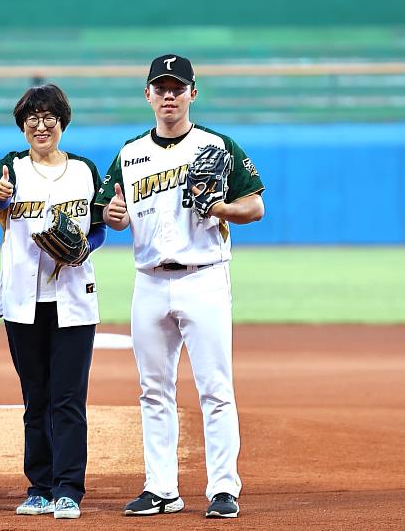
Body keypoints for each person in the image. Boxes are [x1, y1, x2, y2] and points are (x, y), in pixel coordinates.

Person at [95, 54, 265, 519]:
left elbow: (255, 206)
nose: (169, 95)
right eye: (161, 87)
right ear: (147, 95)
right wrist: (111, 215)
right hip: (148, 281)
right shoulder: (130, 154)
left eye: (178, 87)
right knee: (153, 390)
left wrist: (221, 209)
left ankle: (223, 489)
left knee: (215, 387)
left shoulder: (217, 145)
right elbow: (109, 208)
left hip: (204, 277)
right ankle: (161, 488)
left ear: (193, 93)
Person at [0, 84, 106, 520]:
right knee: (36, 397)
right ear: (22, 126)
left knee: (68, 398)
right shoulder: (10, 168)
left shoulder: (85, 170)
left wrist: (85, 246)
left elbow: (98, 226)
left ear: (62, 123)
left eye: (49, 117)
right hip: (22, 299)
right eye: (32, 118)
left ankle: (68, 488)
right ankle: (39, 486)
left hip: (73, 297)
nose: (41, 124)